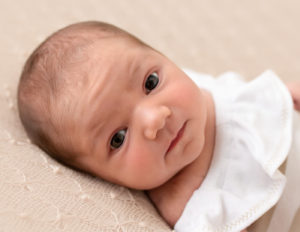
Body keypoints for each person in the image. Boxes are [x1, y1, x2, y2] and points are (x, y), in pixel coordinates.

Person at [17, 21, 300, 232]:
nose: (154, 119)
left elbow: (243, 96)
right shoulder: (190, 210)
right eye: (119, 138)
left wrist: (283, 96)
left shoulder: (194, 88)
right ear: (104, 178)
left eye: (150, 83)